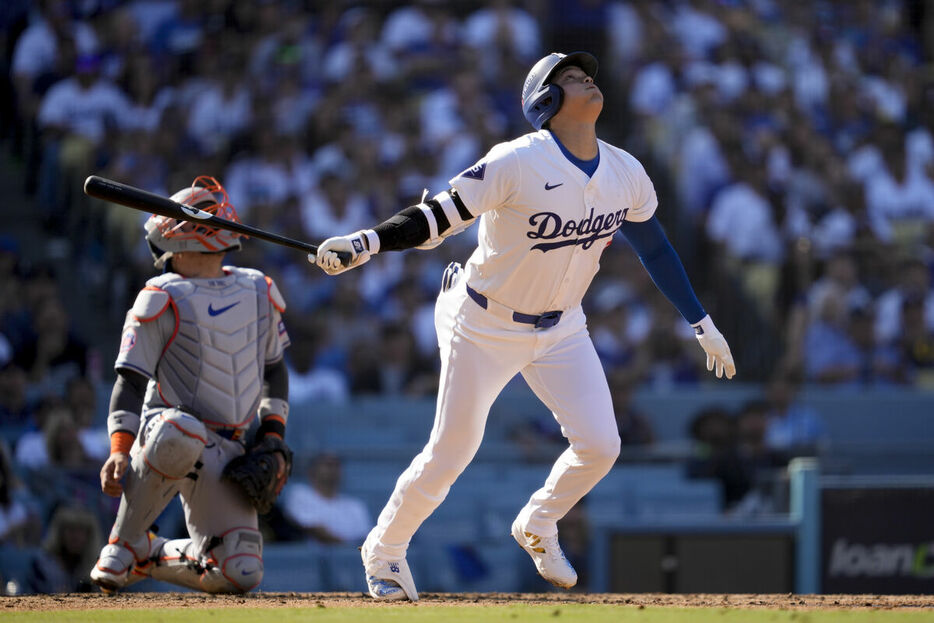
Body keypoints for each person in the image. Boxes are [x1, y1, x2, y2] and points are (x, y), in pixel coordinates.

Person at [311, 51, 736, 601]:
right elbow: (435, 216)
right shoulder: (515, 161)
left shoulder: (626, 170)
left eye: (588, 75)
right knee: (453, 450)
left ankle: (538, 521)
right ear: (547, 101)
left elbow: (655, 246)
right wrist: (366, 243)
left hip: (563, 327)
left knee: (601, 446)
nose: (587, 81)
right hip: (484, 322)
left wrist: (700, 322)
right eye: (572, 78)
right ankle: (385, 553)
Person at [89, 176, 293, 594]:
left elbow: (275, 370)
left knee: (240, 572)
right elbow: (129, 380)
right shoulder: (160, 294)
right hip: (167, 430)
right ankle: (123, 540)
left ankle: (148, 555)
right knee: (182, 433)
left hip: (230, 447)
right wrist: (119, 450)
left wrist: (272, 436)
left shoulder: (259, 288)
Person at [280, 453, 372, 544]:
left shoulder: (355, 506)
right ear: (312, 470)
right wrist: (345, 548)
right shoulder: (300, 494)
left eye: (337, 465)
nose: (333, 469)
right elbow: (314, 529)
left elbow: (364, 539)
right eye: (328, 465)